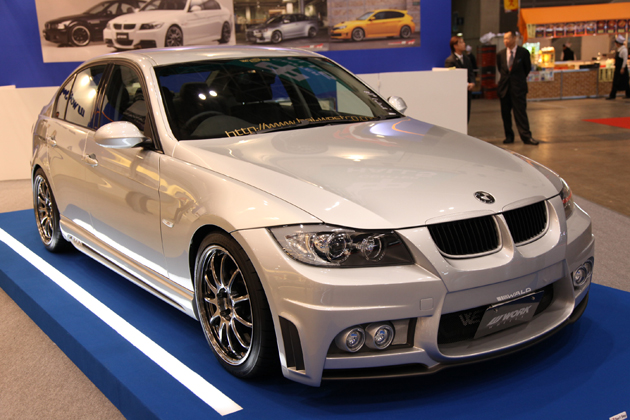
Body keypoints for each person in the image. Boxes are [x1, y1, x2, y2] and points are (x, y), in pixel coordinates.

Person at [497, 30, 538, 145]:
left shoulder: (523, 53)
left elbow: (527, 69)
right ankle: (509, 136)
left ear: (514, 39)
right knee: (505, 114)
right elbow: (501, 69)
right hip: (504, 89)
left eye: (508, 38)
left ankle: (526, 136)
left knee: (520, 113)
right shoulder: (500, 54)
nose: (505, 41)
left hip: (518, 89)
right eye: (504, 39)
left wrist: (517, 80)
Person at [445, 36, 475, 122]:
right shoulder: (450, 61)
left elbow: (471, 72)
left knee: (466, 117)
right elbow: (452, 77)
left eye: (463, 42)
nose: (464, 44)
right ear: (455, 46)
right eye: (461, 42)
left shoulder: (467, 59)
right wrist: (465, 84)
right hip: (456, 94)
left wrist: (472, 82)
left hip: (467, 93)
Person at [607, 35, 630, 100]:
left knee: (623, 82)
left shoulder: (624, 50)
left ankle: (613, 95)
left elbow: (625, 60)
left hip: (621, 68)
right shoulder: (619, 49)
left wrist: (622, 68)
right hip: (618, 68)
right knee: (618, 81)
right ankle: (626, 94)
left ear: (618, 43)